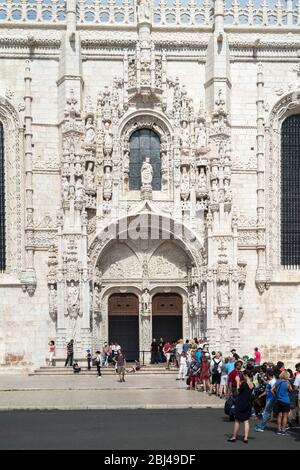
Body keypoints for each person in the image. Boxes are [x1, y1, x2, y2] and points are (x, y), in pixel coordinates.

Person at [228, 368, 254, 444]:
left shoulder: (244, 384)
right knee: (246, 420)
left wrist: (237, 381)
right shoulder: (252, 384)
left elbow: (238, 391)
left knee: (237, 420)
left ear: (246, 375)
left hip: (241, 403)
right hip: (248, 403)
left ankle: (234, 436)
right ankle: (245, 437)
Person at [272, 370, 293, 435]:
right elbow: (291, 390)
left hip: (278, 400)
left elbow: (271, 390)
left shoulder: (277, 381)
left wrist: (275, 395)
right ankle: (283, 430)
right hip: (286, 400)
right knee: (285, 416)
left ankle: (278, 430)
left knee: (279, 415)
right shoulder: (287, 382)